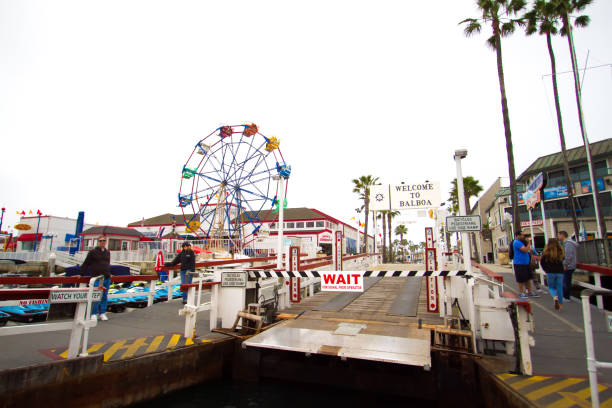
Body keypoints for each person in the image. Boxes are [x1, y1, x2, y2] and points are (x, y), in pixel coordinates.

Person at [81, 236, 111, 321]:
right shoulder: (92, 252)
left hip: (106, 277)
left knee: (104, 296)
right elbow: (86, 263)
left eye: (104, 241)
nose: (102, 242)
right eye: (100, 241)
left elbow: (107, 263)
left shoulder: (107, 252)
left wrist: (109, 273)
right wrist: (81, 274)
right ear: (98, 242)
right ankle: (93, 313)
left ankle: (102, 313)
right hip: (97, 277)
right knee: (96, 295)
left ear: (106, 242)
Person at [540, 238, 565, 310]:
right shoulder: (560, 252)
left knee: (551, 287)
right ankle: (560, 304)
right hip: (560, 272)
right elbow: (563, 260)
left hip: (550, 272)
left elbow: (542, 263)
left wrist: (546, 270)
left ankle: (554, 297)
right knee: (559, 288)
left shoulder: (546, 253)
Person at [512, 230, 538, 299]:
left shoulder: (521, 242)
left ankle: (530, 291)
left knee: (528, 278)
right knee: (521, 279)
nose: (523, 236)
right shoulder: (517, 242)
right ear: (518, 236)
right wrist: (529, 242)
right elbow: (525, 250)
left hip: (526, 263)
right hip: (519, 263)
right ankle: (521, 292)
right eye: (522, 235)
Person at [558, 231, 578, 302]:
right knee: (566, 281)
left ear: (562, 235)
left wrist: (565, 264)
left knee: (565, 281)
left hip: (568, 266)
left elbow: (568, 255)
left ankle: (566, 297)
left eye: (559, 235)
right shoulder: (567, 243)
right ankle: (566, 296)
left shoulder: (568, 244)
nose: (558, 237)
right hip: (570, 265)